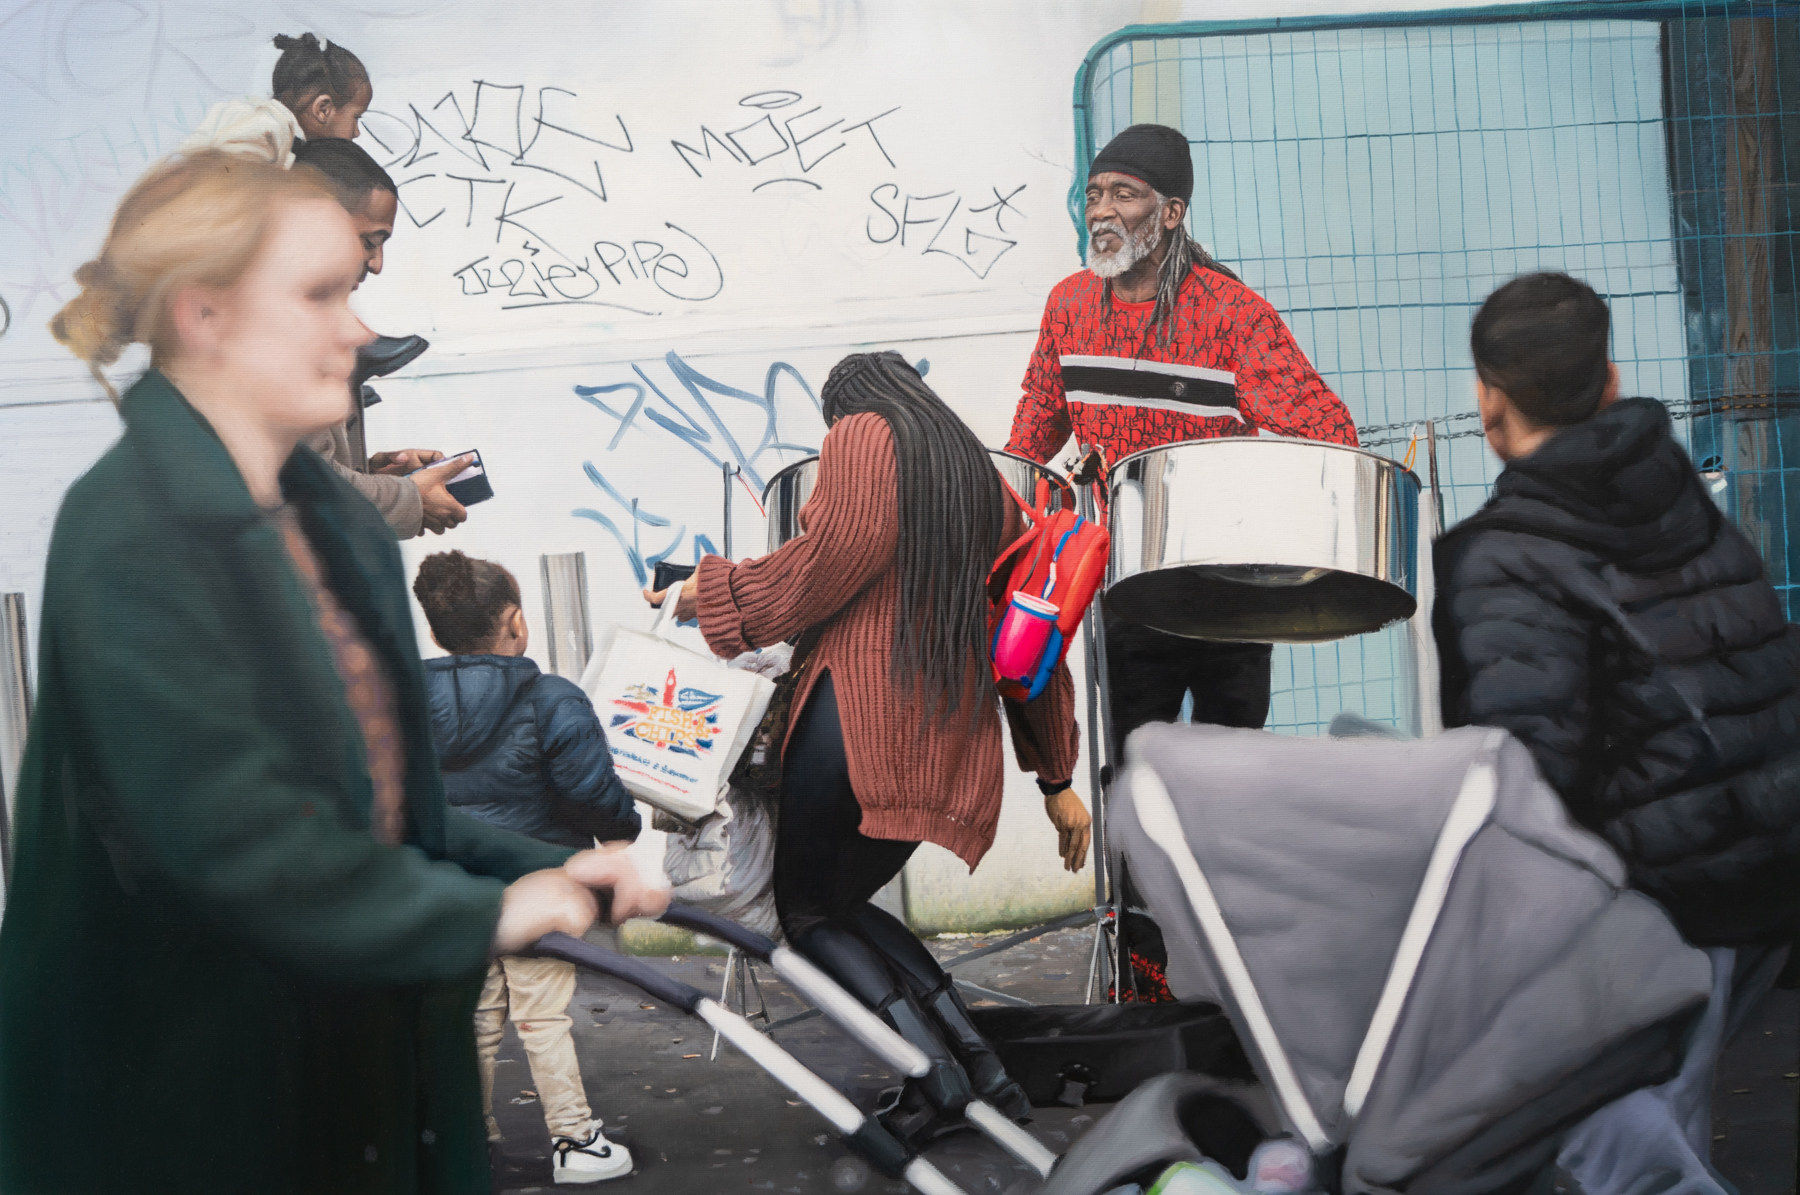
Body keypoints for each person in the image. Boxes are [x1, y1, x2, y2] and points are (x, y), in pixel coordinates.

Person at [0, 150, 668, 1194]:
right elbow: (231, 836)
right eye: (321, 293)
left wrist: (538, 863)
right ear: (203, 315)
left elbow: (389, 814)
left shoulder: (333, 526)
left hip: (347, 1071)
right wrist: (487, 914)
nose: (356, 330)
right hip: (192, 1102)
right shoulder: (124, 528)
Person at [649, 351, 1091, 1144]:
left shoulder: (862, 435)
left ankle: (933, 1080)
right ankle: (979, 1066)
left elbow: (824, 564)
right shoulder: (977, 477)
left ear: (847, 405)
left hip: (859, 718)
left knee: (809, 913)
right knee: (843, 903)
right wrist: (1055, 772)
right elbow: (1033, 625)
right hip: (946, 736)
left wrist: (707, 591)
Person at [1433, 272, 1800, 1194]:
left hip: (1667, 895)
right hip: (1766, 860)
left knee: (1614, 1139)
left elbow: (1528, 784)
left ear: (1488, 402)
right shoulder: (1674, 488)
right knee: (1667, 1114)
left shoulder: (1500, 560)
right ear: (1610, 379)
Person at [1005, 122, 1359, 999]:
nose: (1104, 210)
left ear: (1170, 213)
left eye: (1124, 194)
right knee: (1132, 776)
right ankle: (1143, 968)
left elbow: (1329, 435)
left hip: (1237, 591)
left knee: (1234, 778)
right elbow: (1030, 441)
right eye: (1094, 194)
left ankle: (1240, 967)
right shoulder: (1068, 308)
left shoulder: (1230, 313)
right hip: (1131, 588)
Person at [414, 550, 642, 1184]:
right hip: (541, 881)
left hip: (455, 887)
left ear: (435, 629)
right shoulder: (551, 698)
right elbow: (592, 793)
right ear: (515, 620)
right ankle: (575, 1142)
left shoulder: (404, 702)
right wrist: (623, 833)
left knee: (476, 1016)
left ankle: (469, 1142)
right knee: (543, 1014)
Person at [292, 136, 471, 538]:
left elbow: (301, 469)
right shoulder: (274, 332)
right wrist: (408, 497)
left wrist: (372, 473)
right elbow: (305, 491)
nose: (377, 265)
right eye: (369, 242)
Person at [179, 33, 370, 165]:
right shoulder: (267, 130)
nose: (356, 132)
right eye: (356, 117)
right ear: (323, 109)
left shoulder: (273, 129)